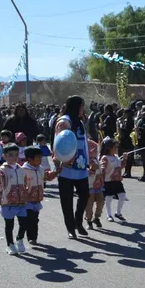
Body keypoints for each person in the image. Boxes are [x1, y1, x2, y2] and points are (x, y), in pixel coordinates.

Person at [53, 95, 92, 238]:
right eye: (82, 106)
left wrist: (91, 159)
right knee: (67, 199)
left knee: (85, 195)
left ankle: (78, 221)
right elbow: (58, 143)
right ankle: (70, 228)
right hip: (66, 166)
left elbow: (84, 142)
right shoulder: (64, 122)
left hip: (80, 165)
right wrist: (59, 162)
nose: (83, 109)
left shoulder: (80, 122)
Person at [0, 144, 29, 255]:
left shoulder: (21, 169)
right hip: (7, 202)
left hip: (21, 202)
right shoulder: (2, 170)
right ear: (4, 156)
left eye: (16, 154)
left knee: (24, 223)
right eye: (10, 155)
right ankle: (10, 244)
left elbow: (25, 183)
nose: (14, 157)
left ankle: (19, 239)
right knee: (9, 225)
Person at [21, 145, 58, 246]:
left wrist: (56, 172)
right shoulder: (23, 170)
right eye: (38, 158)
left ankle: (33, 237)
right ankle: (30, 237)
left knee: (35, 220)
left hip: (37, 199)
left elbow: (47, 177)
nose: (40, 160)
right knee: (30, 219)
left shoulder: (40, 169)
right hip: (27, 200)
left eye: (41, 157)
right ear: (30, 159)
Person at [101, 137, 127, 222]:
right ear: (109, 148)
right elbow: (102, 169)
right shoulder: (105, 157)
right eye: (115, 147)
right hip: (108, 181)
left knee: (122, 196)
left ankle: (118, 213)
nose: (117, 148)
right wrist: (101, 181)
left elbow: (120, 167)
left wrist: (124, 159)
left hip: (117, 181)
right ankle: (109, 215)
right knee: (108, 198)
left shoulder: (116, 157)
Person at [85, 138, 106, 230]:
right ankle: (89, 220)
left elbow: (101, 170)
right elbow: (85, 172)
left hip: (98, 185)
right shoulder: (85, 160)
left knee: (101, 202)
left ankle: (96, 218)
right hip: (89, 186)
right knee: (89, 205)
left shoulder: (96, 159)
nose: (94, 151)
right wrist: (92, 170)